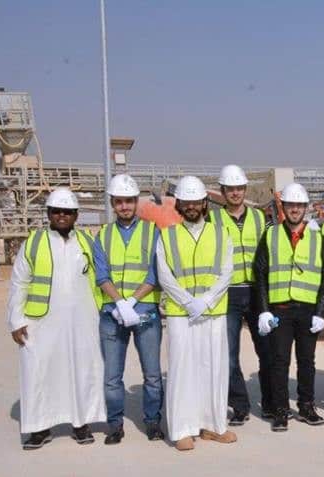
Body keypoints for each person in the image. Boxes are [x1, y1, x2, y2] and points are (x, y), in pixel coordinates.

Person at [7, 188, 105, 450]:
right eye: (56, 211)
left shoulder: (86, 241)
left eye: (67, 212)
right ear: (49, 214)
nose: (62, 216)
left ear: (76, 215)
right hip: (41, 323)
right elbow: (19, 282)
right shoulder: (34, 242)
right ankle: (40, 429)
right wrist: (16, 320)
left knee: (81, 369)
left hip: (82, 320)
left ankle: (81, 423)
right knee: (39, 373)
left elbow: (100, 279)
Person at [156, 176, 235, 451]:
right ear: (179, 204)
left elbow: (226, 271)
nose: (191, 206)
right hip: (181, 313)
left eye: (196, 202)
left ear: (204, 203)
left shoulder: (220, 233)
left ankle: (214, 425)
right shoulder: (167, 236)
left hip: (213, 311)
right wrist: (189, 302)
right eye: (186, 202)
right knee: (182, 369)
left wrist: (207, 300)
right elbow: (164, 274)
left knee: (214, 367)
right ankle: (182, 429)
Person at [253, 182, 324, 432]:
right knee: (279, 361)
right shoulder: (271, 234)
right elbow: (260, 272)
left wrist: (321, 312)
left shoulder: (318, 237)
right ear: (283, 207)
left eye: (299, 205)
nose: (295, 209)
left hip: (307, 311)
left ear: (306, 208)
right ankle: (281, 410)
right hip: (280, 310)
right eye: (290, 205)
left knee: (307, 361)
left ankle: (307, 406)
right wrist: (263, 308)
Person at [93, 174, 164, 444]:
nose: (124, 206)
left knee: (152, 374)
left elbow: (155, 273)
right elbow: (102, 275)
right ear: (113, 203)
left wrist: (132, 301)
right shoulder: (104, 235)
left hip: (145, 311)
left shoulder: (152, 231)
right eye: (119, 201)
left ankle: (153, 422)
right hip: (112, 313)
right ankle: (115, 425)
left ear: (136, 202)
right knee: (112, 375)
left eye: (129, 201)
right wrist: (120, 303)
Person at [210, 164, 273, 424]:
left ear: (245, 190)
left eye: (239, 188)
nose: (235, 193)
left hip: (258, 292)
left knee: (268, 351)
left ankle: (270, 403)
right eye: (230, 189)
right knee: (229, 355)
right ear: (222, 192)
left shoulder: (260, 219)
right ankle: (240, 405)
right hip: (228, 294)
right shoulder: (213, 220)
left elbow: (273, 252)